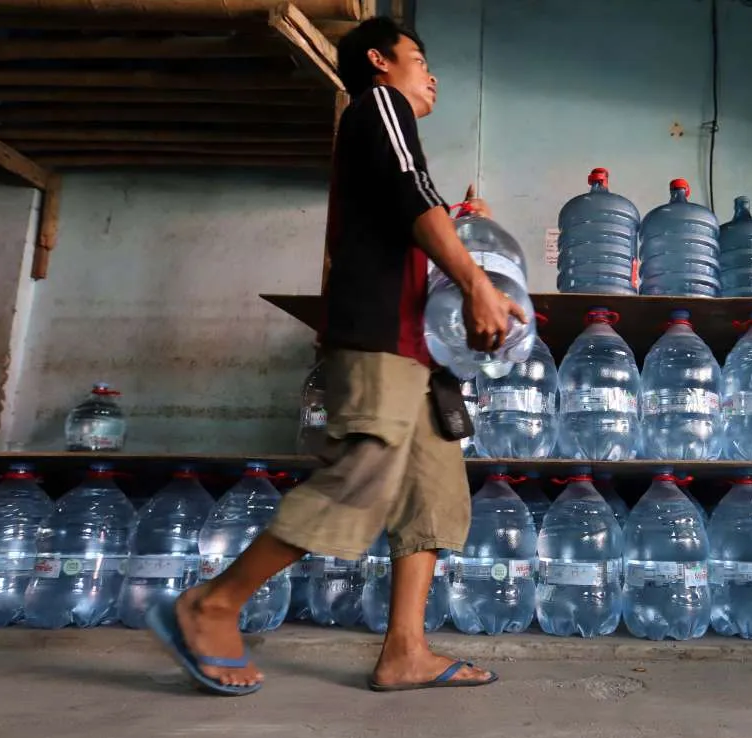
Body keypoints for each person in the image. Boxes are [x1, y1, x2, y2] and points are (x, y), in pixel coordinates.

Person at [146, 16, 525, 695]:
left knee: (432, 497)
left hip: (420, 353)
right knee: (360, 475)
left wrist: (470, 251)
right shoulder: (377, 105)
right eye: (419, 59)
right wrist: (475, 282)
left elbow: (412, 212)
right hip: (380, 339)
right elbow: (413, 193)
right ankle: (213, 604)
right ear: (379, 61)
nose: (430, 75)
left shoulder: (391, 143)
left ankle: (404, 650)